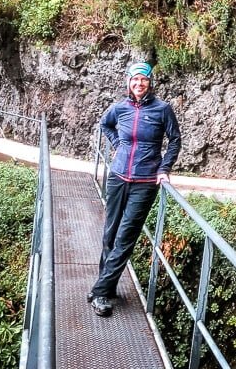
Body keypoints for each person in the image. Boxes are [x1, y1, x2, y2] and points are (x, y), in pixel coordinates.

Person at [88, 61, 181, 317]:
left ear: (150, 82)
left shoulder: (163, 110)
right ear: (128, 82)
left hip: (144, 181)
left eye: (144, 79)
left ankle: (101, 293)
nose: (139, 83)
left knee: (125, 238)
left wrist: (164, 168)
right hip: (118, 177)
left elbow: (175, 140)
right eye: (135, 79)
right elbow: (104, 124)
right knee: (110, 234)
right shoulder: (120, 108)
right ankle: (105, 285)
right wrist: (118, 143)